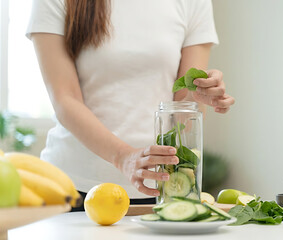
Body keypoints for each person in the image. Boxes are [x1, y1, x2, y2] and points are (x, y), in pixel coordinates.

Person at [26, 0, 235, 210]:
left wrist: (198, 96)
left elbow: (183, 105)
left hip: (160, 188)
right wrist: (124, 157)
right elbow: (65, 99)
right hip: (74, 188)